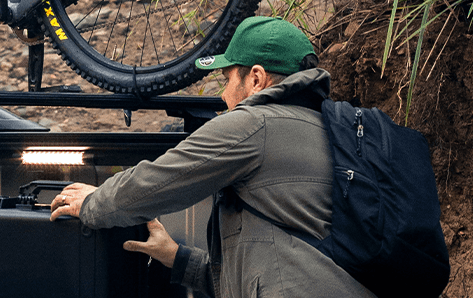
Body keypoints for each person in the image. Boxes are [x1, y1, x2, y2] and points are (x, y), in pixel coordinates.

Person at [48, 16, 375, 297]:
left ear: (256, 79)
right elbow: (269, 272)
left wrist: (94, 202)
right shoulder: (327, 131)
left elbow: (160, 181)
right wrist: (177, 258)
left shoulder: (254, 124)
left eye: (227, 78)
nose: (222, 94)